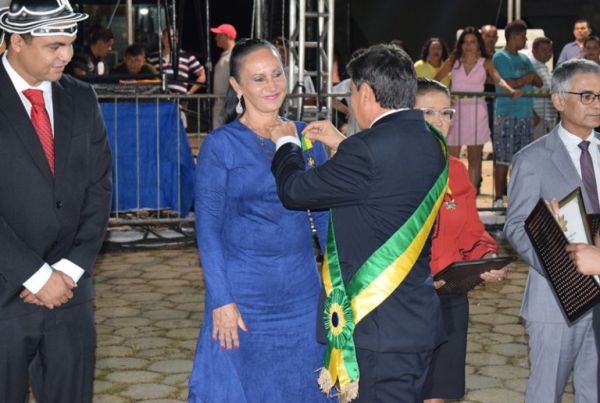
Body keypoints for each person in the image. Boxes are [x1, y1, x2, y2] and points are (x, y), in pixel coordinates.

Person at [271, 44, 446, 402]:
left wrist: (286, 143)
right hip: (413, 321)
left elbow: (294, 191)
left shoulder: (364, 151)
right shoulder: (432, 141)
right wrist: (343, 144)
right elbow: (383, 179)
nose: (350, 101)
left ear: (365, 92)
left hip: (378, 329)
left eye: (351, 92)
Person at [187, 38, 332, 402]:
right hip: (244, 295)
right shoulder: (221, 145)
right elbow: (208, 228)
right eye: (258, 78)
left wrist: (341, 282)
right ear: (237, 86)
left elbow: (326, 213)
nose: (272, 85)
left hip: (302, 293)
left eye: (277, 74)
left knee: (305, 384)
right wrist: (221, 299)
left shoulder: (308, 138)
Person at [0, 0, 113, 402]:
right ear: (16, 41)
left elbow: (100, 187)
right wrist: (35, 276)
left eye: (70, 43)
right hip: (5, 288)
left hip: (70, 290)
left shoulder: (81, 97)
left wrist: (69, 269)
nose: (66, 55)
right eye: (54, 46)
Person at [504, 58, 600, 403]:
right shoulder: (532, 159)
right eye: (587, 96)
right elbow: (516, 227)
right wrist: (558, 261)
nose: (597, 104)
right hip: (556, 299)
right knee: (546, 393)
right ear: (558, 100)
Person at [414, 78, 505, 403]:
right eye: (427, 112)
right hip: (405, 299)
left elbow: (472, 231)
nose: (440, 121)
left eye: (446, 113)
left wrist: (487, 259)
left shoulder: (456, 170)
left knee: (438, 393)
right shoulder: (390, 168)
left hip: (450, 297)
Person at [435, 26, 518, 190]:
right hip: (455, 113)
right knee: (452, 159)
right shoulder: (453, 61)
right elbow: (436, 79)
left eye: (472, 42)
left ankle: (471, 198)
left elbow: (498, 80)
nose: (468, 46)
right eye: (465, 42)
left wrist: (511, 90)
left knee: (474, 159)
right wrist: (444, 97)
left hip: (477, 114)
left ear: (478, 44)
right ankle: (451, 196)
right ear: (460, 44)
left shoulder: (486, 62)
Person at [492, 20, 542, 207]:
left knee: (521, 160)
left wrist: (526, 79)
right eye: (523, 36)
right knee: (503, 158)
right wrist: (527, 78)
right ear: (513, 36)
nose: (525, 40)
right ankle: (498, 198)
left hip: (525, 115)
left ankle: (516, 198)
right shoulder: (500, 57)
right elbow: (509, 83)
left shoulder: (524, 58)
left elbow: (538, 82)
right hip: (507, 114)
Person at [148, 27, 206, 95]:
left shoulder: (187, 57)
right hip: (159, 99)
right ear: (162, 38)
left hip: (180, 99)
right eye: (166, 36)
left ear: (177, 39)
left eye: (172, 37)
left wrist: (189, 93)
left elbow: (202, 75)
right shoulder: (153, 58)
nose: (169, 39)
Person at [528, 37, 557, 139]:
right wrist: (533, 115)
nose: (548, 53)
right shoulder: (530, 67)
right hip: (538, 118)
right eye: (543, 50)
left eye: (550, 50)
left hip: (548, 118)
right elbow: (523, 91)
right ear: (534, 51)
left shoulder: (545, 68)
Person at [210, 23, 237, 129]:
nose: (215, 38)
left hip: (228, 103)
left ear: (226, 36)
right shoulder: (228, 55)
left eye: (218, 35)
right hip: (222, 102)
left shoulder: (234, 56)